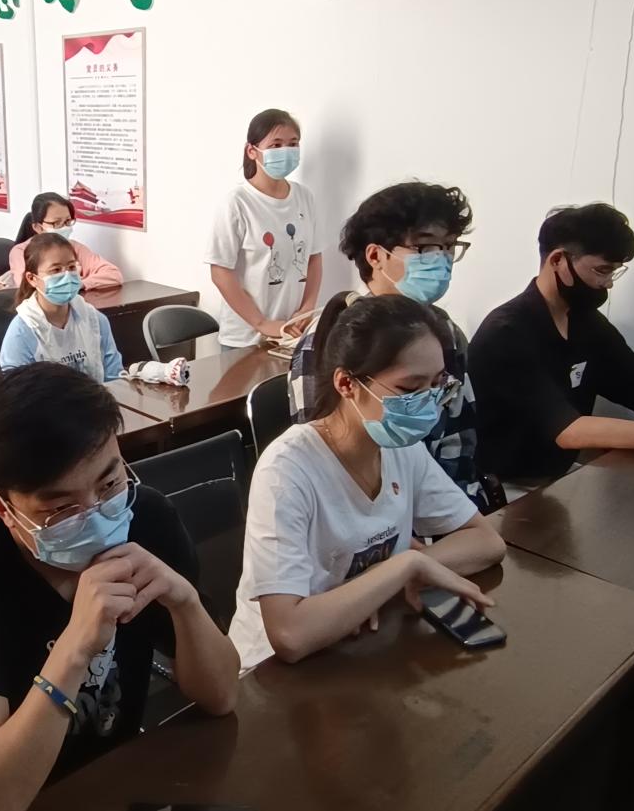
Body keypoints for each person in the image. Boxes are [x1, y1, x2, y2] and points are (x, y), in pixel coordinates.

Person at [0, 362, 239, 811]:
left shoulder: (145, 517)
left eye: (109, 482)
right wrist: (74, 649)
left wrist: (185, 603)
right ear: (3, 509)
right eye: (61, 509)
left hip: (101, 779)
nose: (97, 515)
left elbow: (222, 696)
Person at [228, 295, 506, 672]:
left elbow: (485, 541)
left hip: (360, 645)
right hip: (273, 672)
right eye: (410, 390)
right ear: (347, 383)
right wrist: (403, 568)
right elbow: (290, 635)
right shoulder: (286, 471)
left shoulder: (400, 448)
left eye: (436, 385)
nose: (428, 404)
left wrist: (392, 576)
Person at [289, 182, 496, 511]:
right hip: (363, 515)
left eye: (448, 248)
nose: (442, 261)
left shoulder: (446, 333)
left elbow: (459, 446)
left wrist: (462, 519)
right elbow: (321, 456)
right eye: (425, 249)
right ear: (376, 256)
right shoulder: (328, 337)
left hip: (442, 511)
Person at [470, 203, 634, 484]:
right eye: (601, 270)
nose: (608, 283)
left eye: (614, 272)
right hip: (506, 486)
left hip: (558, 475)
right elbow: (568, 430)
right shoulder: (505, 333)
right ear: (558, 261)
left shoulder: (585, 321)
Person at [205, 108, 323, 348]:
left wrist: (307, 308)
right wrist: (262, 323)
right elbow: (220, 272)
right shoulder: (236, 203)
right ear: (252, 151)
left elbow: (313, 258)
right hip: (245, 339)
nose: (286, 151)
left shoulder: (304, 197)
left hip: (292, 333)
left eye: (293, 144)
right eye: (276, 145)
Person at [0, 234, 123, 383]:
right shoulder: (22, 330)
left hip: (97, 397)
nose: (67, 276)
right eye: (56, 270)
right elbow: (16, 391)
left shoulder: (95, 319)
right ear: (32, 279)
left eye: (71, 267)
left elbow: (114, 378)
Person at [9, 192, 123, 291]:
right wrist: (70, 280)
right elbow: (27, 287)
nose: (64, 227)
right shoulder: (21, 251)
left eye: (68, 221)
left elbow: (114, 274)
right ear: (38, 227)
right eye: (57, 223)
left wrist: (80, 284)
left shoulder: (74, 247)